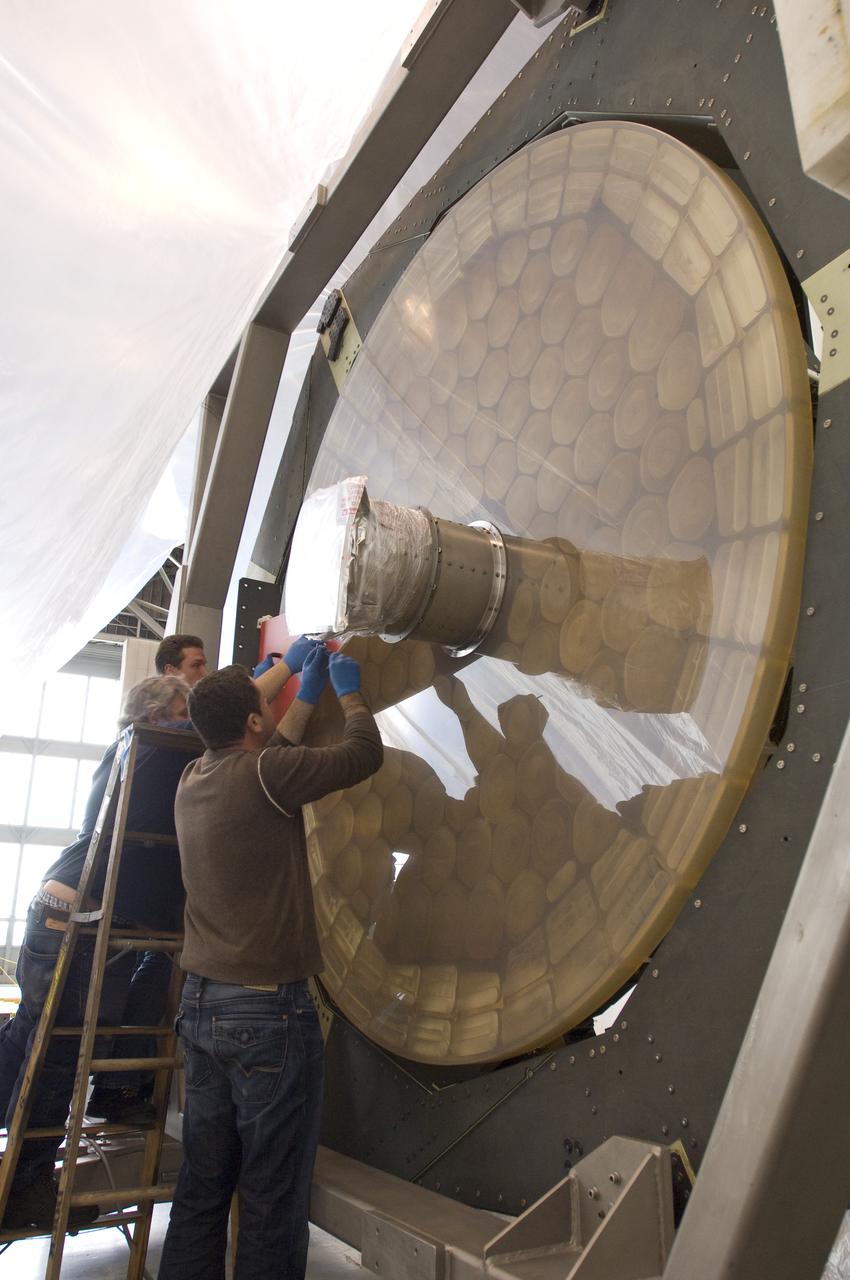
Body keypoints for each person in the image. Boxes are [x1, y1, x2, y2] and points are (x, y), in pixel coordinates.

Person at [157, 639, 383, 1280]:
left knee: (204, 1182)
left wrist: (299, 693)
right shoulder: (264, 777)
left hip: (201, 1007)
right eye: (264, 700)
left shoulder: (193, 779)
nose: (270, 701)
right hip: (266, 1015)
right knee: (270, 1194)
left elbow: (267, 771)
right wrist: (347, 689)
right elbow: (364, 754)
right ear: (254, 721)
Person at [0, 675, 194, 1230]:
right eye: (186, 702)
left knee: (39, 1035)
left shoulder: (134, 752)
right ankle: (26, 1182)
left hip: (66, 909)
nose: (192, 711)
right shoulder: (154, 747)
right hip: (76, 919)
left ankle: (107, 1098)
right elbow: (209, 728)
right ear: (162, 712)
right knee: (58, 1053)